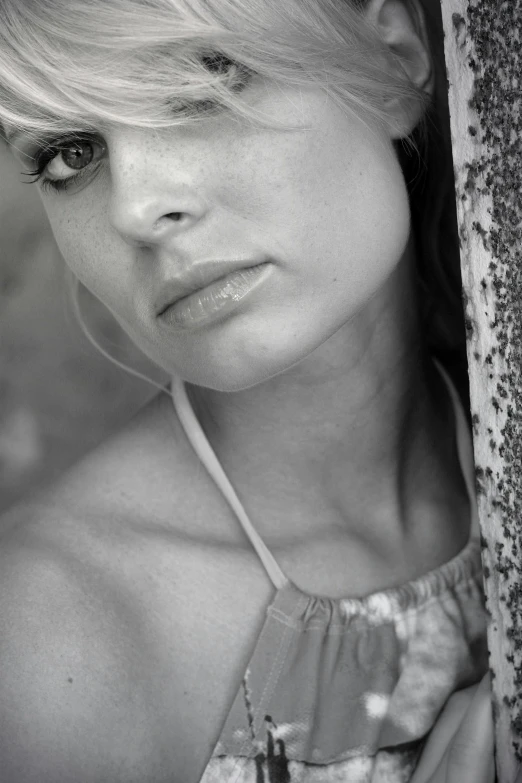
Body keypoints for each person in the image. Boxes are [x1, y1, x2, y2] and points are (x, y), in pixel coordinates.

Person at [0, 0, 511, 780]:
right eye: (69, 154)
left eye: (196, 80)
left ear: (395, 54)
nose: (136, 207)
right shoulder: (49, 637)